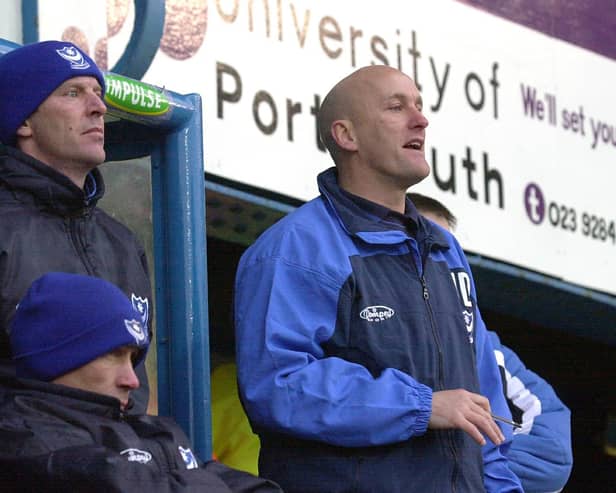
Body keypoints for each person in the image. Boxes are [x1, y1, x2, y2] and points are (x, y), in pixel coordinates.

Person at [234, 65, 522, 492]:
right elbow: (278, 385)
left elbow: (483, 402)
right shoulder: (295, 248)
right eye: (396, 106)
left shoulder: (444, 249)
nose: (420, 119)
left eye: (420, 106)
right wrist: (420, 406)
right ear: (346, 136)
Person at [0, 272, 281, 493]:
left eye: (133, 358)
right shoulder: (28, 439)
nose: (133, 380)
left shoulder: (144, 428)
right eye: (113, 355)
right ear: (58, 355)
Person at [0, 40, 152, 413]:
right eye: (73, 93)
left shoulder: (122, 242)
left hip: (113, 462)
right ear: (23, 120)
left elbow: (134, 384)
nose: (98, 108)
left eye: (98, 95)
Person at [409, 191, 573, 493]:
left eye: (449, 251)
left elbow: (552, 456)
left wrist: (446, 464)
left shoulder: (488, 349)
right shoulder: (356, 325)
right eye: (428, 247)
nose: (441, 262)